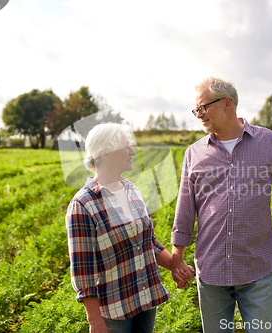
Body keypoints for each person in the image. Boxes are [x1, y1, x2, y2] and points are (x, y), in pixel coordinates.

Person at [170, 77, 272, 333]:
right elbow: (185, 209)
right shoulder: (194, 153)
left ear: (227, 103)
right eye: (196, 110)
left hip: (257, 270)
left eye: (203, 107)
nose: (199, 115)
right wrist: (177, 258)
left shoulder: (267, 141)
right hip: (212, 271)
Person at [66, 123, 192, 333]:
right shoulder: (83, 204)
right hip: (115, 309)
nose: (132, 152)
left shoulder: (132, 190)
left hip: (145, 298)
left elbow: (147, 243)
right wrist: (94, 321)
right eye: (126, 146)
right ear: (105, 153)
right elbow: (83, 269)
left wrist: (175, 266)